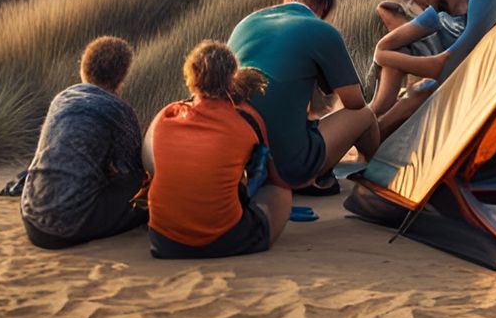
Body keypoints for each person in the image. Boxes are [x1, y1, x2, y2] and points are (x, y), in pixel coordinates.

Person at [227, 0, 379, 188]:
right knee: (364, 115)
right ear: (324, 7)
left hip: (240, 158)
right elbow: (355, 103)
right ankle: (375, 174)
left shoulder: (247, 23)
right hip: (286, 167)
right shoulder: (321, 30)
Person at [144, 41, 292, 259]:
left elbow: (150, 164)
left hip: (163, 241)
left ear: (190, 76)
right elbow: (274, 176)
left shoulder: (167, 115)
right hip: (222, 241)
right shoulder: (246, 122)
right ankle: (257, 237)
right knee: (281, 192)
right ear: (232, 77)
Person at [20, 35, 146, 249]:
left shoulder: (62, 98)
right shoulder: (117, 110)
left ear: (84, 68)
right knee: (144, 187)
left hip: (31, 216)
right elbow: (131, 168)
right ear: (121, 76)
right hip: (68, 226)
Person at [370, 0, 496, 136]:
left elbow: (445, 65)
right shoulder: (437, 9)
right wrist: (384, 54)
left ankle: (372, 135)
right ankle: (373, 114)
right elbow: (386, 46)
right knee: (398, 53)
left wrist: (384, 55)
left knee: (420, 92)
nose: (419, 7)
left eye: (420, 0)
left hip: (479, 72)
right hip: (447, 68)